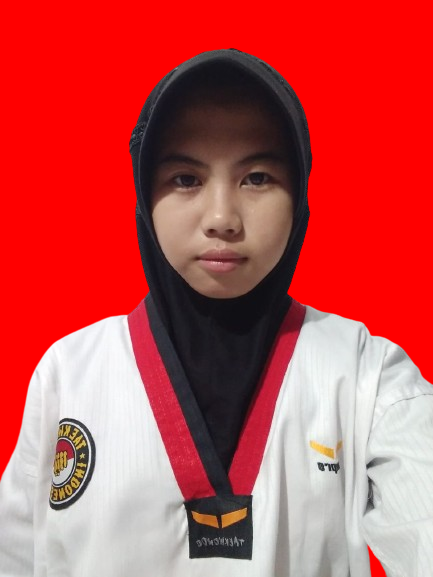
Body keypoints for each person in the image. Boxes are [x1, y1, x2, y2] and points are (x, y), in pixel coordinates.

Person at [0, 48, 432, 577]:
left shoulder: (368, 374)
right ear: (144, 195)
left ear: (299, 196)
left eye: (257, 177)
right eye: (186, 179)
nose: (223, 218)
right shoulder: (68, 374)